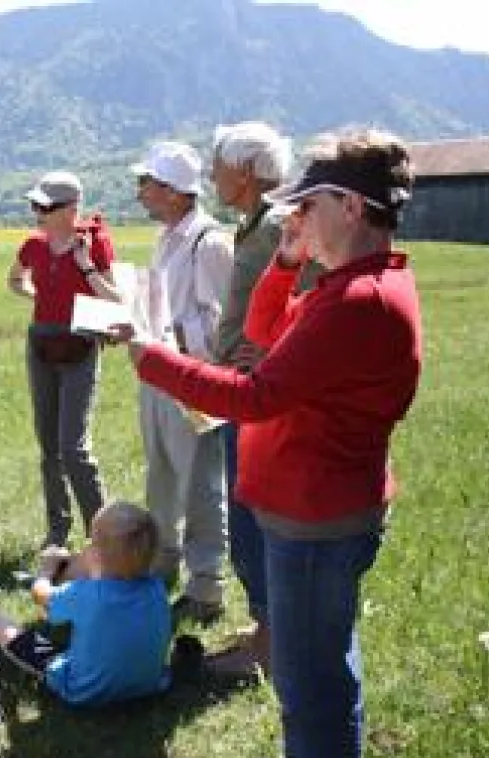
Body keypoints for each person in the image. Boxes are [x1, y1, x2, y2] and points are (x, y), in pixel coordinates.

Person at [106, 128, 421, 758]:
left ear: (353, 209)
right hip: (314, 510)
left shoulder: (358, 301)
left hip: (315, 520)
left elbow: (255, 394)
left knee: (312, 690)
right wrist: (283, 263)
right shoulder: (349, 285)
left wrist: (152, 359)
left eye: (310, 204)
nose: (297, 214)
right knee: (323, 668)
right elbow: (260, 336)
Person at [208, 123, 318, 678]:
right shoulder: (257, 225)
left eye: (218, 164)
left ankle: (271, 646)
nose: (211, 175)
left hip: (258, 397)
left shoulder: (278, 226)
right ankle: (266, 633)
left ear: (245, 172)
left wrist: (272, 356)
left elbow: (312, 298)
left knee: (255, 516)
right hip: (240, 390)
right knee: (246, 511)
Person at [130, 142, 235, 624]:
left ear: (173, 191)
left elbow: (220, 326)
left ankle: (206, 583)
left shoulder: (209, 242)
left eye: (148, 183)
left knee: (199, 482)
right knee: (163, 472)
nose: (141, 192)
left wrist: (164, 336)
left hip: (192, 379)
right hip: (160, 371)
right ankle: (164, 558)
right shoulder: (170, 237)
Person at [0, 502, 171, 708]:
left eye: (91, 541)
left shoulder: (87, 595)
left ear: (97, 554)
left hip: (83, 690)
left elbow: (40, 595)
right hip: (148, 685)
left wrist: (46, 570)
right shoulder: (157, 588)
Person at [8, 171, 120, 548]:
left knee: (74, 448)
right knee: (48, 447)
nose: (37, 212)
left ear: (72, 209)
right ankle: (57, 531)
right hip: (41, 341)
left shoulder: (93, 242)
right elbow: (15, 280)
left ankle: (102, 533)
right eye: (35, 205)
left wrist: (85, 264)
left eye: (45, 206)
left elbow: (115, 300)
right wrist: (37, 296)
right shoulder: (33, 245)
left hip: (80, 344)